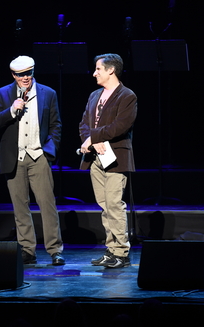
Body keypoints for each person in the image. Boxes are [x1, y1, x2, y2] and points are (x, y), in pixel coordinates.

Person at [0, 55, 65, 265]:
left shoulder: (48, 93)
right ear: (13, 75)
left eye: (29, 73)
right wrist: (12, 110)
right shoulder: (2, 94)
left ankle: (55, 250)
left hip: (38, 156)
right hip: (15, 158)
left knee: (47, 205)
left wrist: (48, 151)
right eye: (21, 74)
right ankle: (27, 250)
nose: (25, 78)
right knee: (20, 207)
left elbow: (56, 125)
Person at [79, 53, 137, 268]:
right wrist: (92, 141)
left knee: (114, 205)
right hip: (96, 157)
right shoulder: (94, 95)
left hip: (116, 158)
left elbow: (120, 126)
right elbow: (84, 122)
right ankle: (111, 250)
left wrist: (94, 137)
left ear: (111, 70)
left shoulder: (127, 96)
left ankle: (121, 253)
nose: (94, 73)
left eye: (98, 69)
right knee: (105, 206)